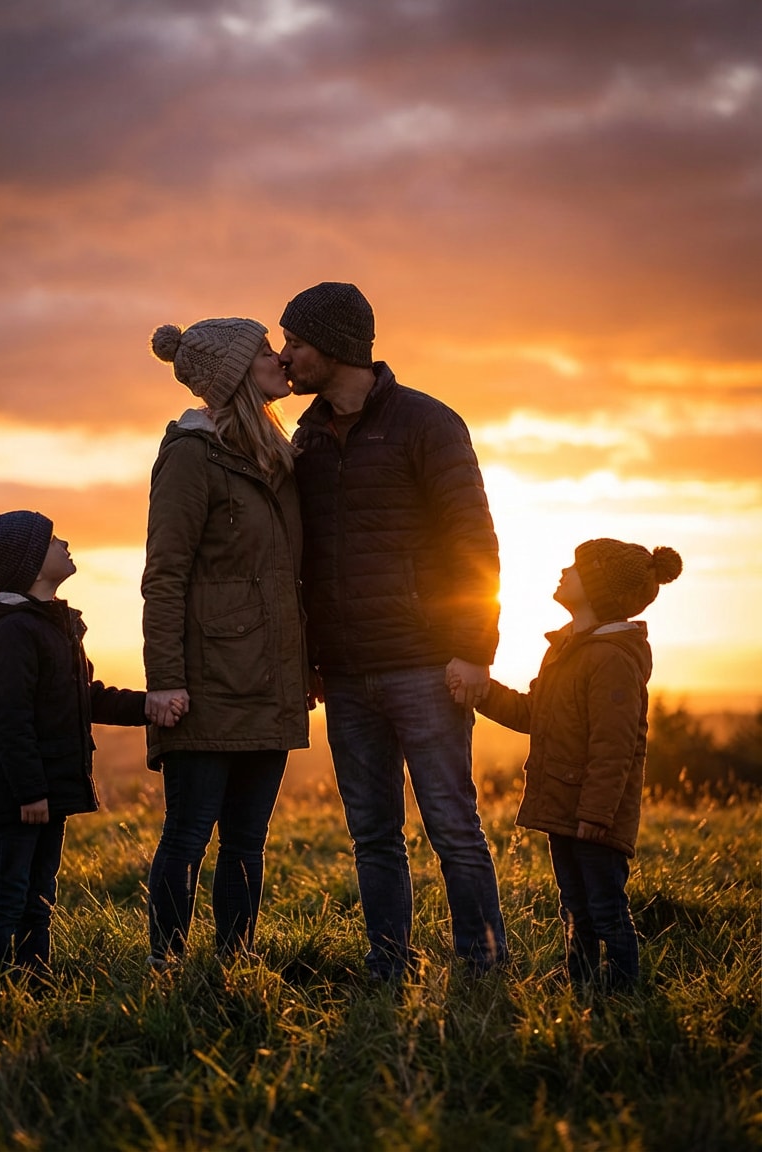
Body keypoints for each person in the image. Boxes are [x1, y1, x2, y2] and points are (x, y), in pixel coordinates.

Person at [280, 281, 506, 980]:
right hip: (346, 675)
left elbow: (473, 542)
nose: (285, 357)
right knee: (372, 835)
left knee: (453, 827)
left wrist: (474, 649)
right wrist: (311, 658)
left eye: (296, 342)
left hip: (427, 666)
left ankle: (482, 966)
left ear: (335, 346)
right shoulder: (306, 438)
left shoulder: (428, 424)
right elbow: (303, 558)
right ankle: (389, 962)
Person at [142, 316, 309, 967]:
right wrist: (166, 680)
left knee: (247, 842)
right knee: (187, 835)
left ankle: (234, 967)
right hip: (206, 684)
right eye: (265, 352)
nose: (280, 361)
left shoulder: (274, 455)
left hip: (269, 681)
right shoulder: (190, 456)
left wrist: (304, 667)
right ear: (237, 373)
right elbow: (165, 575)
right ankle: (166, 966)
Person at [0, 509, 178, 987]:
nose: (64, 543)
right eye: (52, 539)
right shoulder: (12, 632)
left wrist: (149, 705)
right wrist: (29, 791)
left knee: (40, 894)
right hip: (20, 796)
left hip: (46, 790)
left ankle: (33, 983)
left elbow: (84, 697)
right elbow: (8, 720)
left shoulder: (51, 625)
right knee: (9, 893)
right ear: (30, 565)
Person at [471, 538, 683, 991]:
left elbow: (615, 748)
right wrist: (483, 692)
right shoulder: (566, 649)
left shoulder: (612, 659)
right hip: (564, 807)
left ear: (600, 588)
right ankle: (581, 985)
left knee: (606, 909)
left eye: (577, 567)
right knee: (574, 905)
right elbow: (534, 714)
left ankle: (623, 992)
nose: (565, 571)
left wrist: (597, 814)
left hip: (594, 818)